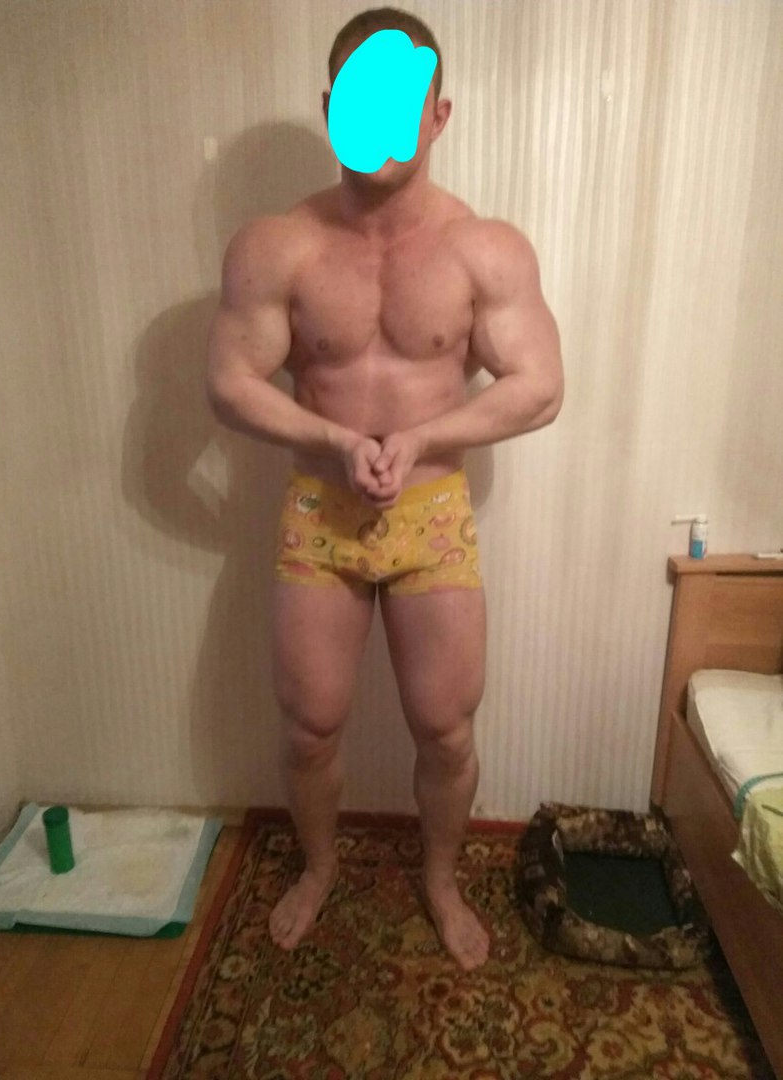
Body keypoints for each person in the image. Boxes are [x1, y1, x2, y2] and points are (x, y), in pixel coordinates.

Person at [205, 6, 563, 972]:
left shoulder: (485, 248)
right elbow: (229, 381)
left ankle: (440, 881)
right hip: (320, 512)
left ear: (439, 113)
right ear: (331, 108)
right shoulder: (276, 245)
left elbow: (540, 386)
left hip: (431, 513)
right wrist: (332, 436)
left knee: (445, 731)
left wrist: (421, 436)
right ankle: (320, 867)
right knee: (310, 728)